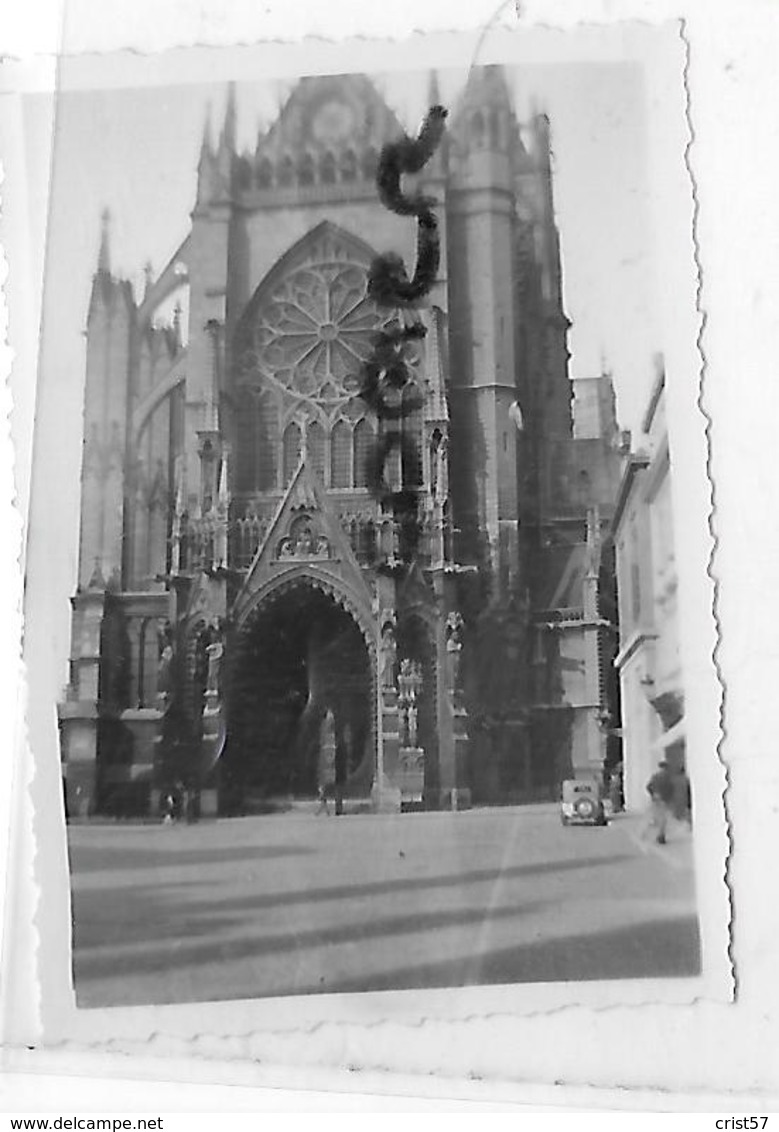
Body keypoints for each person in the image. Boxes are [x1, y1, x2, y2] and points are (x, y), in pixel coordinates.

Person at [645, 760, 676, 844]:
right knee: (663, 819)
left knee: (658, 818)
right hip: (664, 800)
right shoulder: (668, 777)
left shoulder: (655, 776)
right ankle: (661, 836)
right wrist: (670, 798)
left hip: (656, 799)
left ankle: (659, 835)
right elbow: (671, 789)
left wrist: (653, 794)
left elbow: (648, 786)